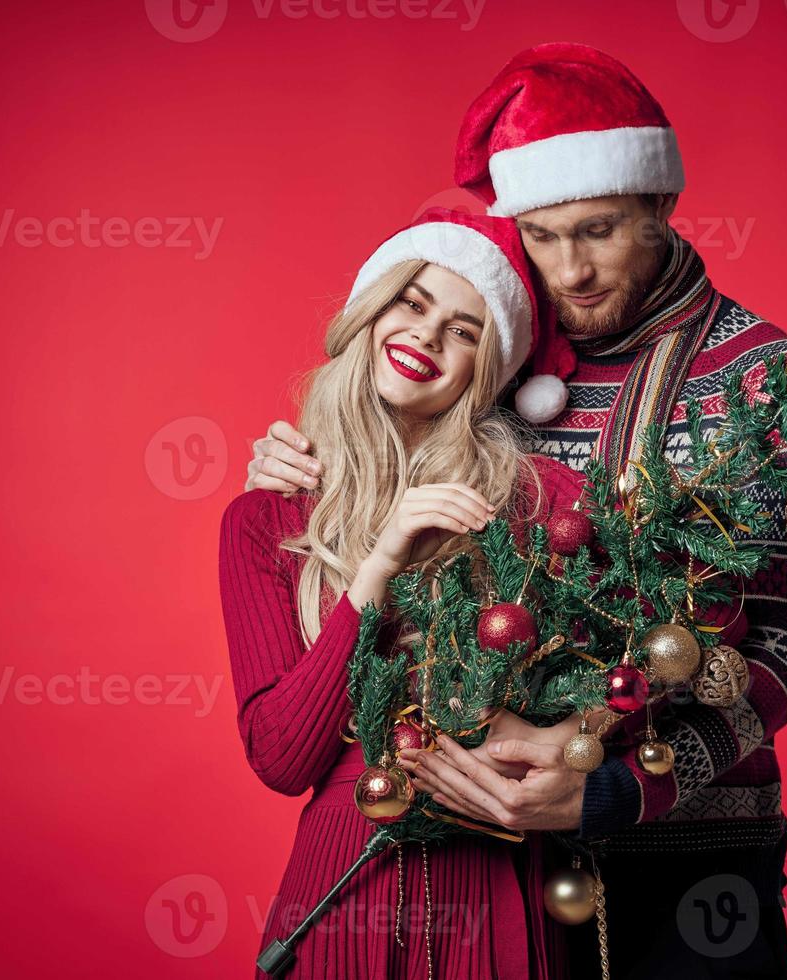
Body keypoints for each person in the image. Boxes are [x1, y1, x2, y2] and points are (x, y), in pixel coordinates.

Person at [247, 44, 787, 979]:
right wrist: (300, 458)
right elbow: (380, 456)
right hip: (495, 871)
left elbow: (785, 652)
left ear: (659, 203)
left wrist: (614, 792)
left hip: (695, 867)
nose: (569, 271)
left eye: (600, 229)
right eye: (540, 235)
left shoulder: (774, 384)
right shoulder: (498, 366)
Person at [219, 207, 598, 979]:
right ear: (371, 312)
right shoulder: (269, 516)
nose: (427, 337)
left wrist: (578, 736)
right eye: (413, 303)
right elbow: (283, 757)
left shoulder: (540, 501)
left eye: (464, 330)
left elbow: (628, 670)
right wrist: (379, 564)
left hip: (501, 882)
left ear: (488, 372)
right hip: (343, 887)